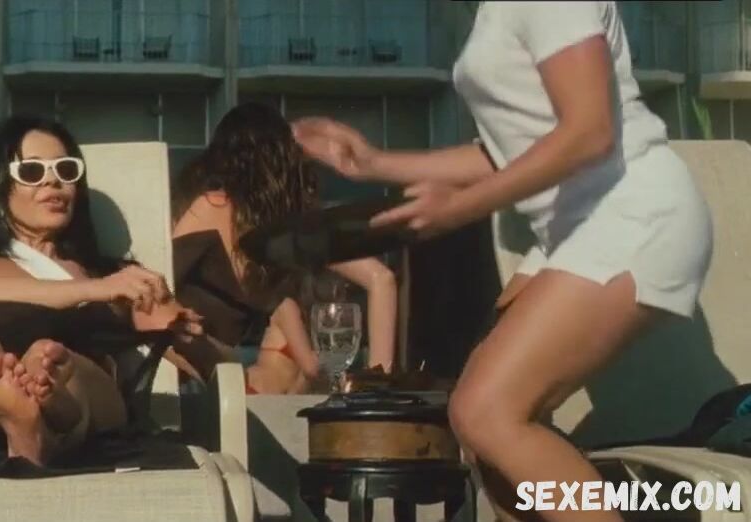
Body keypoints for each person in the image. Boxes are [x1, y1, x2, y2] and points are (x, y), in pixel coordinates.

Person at [292, 2, 712, 519]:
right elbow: (507, 153)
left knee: (485, 411)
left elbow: (591, 131)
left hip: (633, 213)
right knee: (482, 432)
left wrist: (461, 208)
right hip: (575, 228)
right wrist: (375, 163)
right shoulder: (494, 11)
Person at [0, 115, 203, 466]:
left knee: (53, 360)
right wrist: (95, 290)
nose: (53, 180)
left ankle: (42, 409)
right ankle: (15, 403)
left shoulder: (116, 276)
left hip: (82, 385)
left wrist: (185, 333)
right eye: (32, 172)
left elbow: (212, 363)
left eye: (66, 170)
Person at [170, 102, 399, 395]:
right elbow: (381, 278)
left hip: (192, 369)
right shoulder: (288, 227)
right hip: (188, 362)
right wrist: (379, 380)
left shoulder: (215, 207)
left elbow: (158, 279)